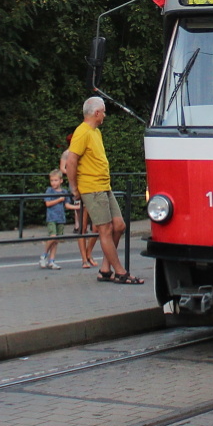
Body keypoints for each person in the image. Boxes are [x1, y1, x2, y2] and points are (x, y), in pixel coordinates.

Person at [61, 97, 143, 285]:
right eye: (104, 111)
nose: (105, 115)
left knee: (119, 226)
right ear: (96, 113)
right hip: (92, 188)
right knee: (105, 230)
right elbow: (71, 161)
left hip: (104, 186)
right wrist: (74, 188)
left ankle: (106, 269)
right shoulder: (82, 132)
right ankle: (120, 272)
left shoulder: (95, 132)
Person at [39, 169, 74, 269]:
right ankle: (44, 255)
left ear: (61, 181)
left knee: (56, 240)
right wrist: (59, 199)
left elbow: (67, 205)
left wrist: (78, 207)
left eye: (55, 180)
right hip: (51, 217)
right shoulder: (49, 191)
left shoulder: (64, 191)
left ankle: (52, 260)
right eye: (52, 180)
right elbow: (48, 203)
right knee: (52, 236)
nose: (53, 183)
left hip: (60, 218)